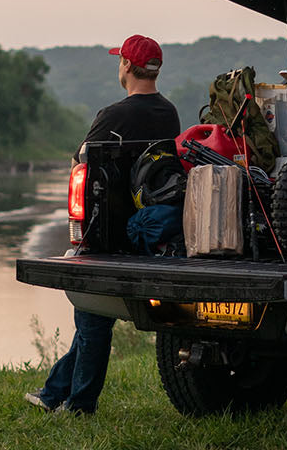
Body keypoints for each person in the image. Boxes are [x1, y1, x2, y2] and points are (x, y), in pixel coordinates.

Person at [25, 34, 180, 416]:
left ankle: (80, 405)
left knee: (93, 319)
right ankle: (53, 392)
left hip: (108, 233)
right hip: (151, 230)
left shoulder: (113, 115)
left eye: (120, 61)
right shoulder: (170, 113)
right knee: (92, 318)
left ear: (127, 66)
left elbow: (81, 160)